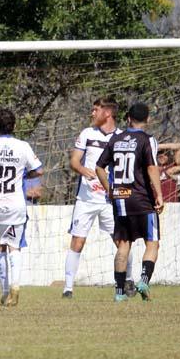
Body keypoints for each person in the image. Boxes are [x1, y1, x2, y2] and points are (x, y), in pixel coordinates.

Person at [96, 102, 164, 302]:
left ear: (128, 118)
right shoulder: (147, 140)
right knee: (152, 243)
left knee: (123, 245)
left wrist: (110, 190)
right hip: (142, 199)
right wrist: (159, 194)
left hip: (120, 199)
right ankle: (143, 281)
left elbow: (99, 167)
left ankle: (119, 293)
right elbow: (152, 168)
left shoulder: (115, 139)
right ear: (148, 119)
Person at [0, 109, 43, 307]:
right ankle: (15, 286)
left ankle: (5, 291)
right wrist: (23, 175)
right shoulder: (23, 146)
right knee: (15, 246)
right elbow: (39, 170)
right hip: (16, 205)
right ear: (14, 126)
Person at [62, 98, 120, 298]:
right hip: (86, 199)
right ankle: (68, 288)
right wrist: (82, 169)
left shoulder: (121, 136)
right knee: (77, 241)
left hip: (110, 199)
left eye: (96, 110)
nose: (92, 114)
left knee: (121, 241)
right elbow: (74, 161)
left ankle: (127, 280)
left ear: (107, 113)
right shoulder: (88, 133)